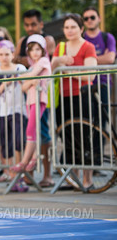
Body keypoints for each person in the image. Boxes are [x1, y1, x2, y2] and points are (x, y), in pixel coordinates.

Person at [51, 13, 97, 190]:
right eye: (67, 27)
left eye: (73, 27)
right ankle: (72, 178)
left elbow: (90, 74)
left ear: (81, 29)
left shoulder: (88, 47)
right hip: (63, 97)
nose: (69, 31)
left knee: (84, 137)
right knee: (67, 136)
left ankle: (88, 179)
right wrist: (59, 61)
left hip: (82, 96)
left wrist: (68, 71)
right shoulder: (60, 47)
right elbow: (52, 67)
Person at [14, 9, 55, 188]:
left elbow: (33, 74)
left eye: (33, 24)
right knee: (30, 131)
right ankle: (29, 168)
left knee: (42, 132)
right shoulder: (23, 41)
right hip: (29, 98)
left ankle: (45, 172)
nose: (30, 27)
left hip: (40, 97)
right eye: (27, 25)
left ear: (41, 24)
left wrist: (29, 78)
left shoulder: (47, 41)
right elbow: (17, 59)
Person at [10, 35, 51, 179]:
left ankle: (25, 161)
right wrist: (30, 81)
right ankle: (32, 158)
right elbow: (25, 86)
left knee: (31, 130)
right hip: (31, 100)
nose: (35, 52)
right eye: (32, 49)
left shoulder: (44, 61)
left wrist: (29, 79)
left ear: (43, 50)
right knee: (33, 130)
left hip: (39, 100)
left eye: (38, 49)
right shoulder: (33, 65)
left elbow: (29, 78)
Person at [0, 40, 27, 191]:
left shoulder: (20, 68)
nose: (4, 57)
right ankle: (10, 173)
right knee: (6, 144)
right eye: (1, 54)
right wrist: (6, 83)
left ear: (13, 54)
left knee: (19, 142)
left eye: (7, 54)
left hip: (18, 109)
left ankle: (19, 174)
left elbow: (25, 87)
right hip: (1, 111)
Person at [82, 7, 116, 130]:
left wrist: (88, 60)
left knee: (102, 120)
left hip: (103, 83)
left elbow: (111, 58)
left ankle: (99, 149)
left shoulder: (107, 37)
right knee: (86, 120)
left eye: (92, 17)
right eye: (86, 18)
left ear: (99, 18)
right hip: (85, 83)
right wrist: (101, 57)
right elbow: (79, 61)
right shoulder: (81, 39)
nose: (89, 20)